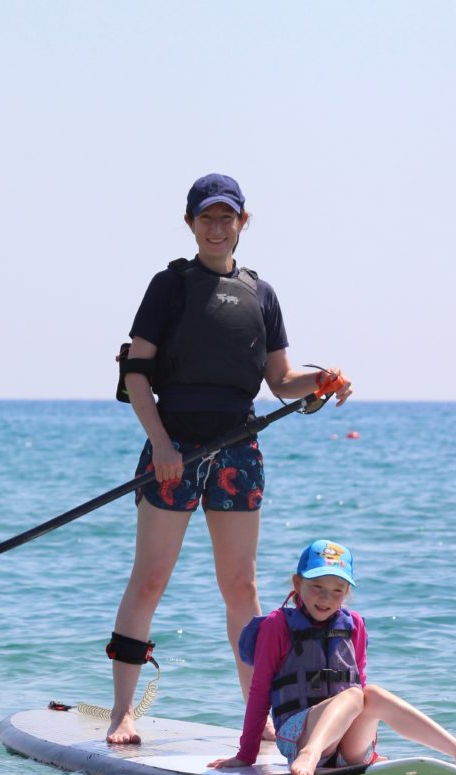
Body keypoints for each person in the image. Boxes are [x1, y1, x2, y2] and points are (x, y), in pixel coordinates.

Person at [106, 173, 352, 744]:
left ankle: (257, 713)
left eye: (227, 217)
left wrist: (324, 378)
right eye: (206, 217)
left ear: (243, 222)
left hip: (238, 450)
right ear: (191, 223)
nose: (217, 227)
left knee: (242, 588)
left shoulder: (261, 294)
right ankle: (122, 712)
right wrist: (163, 444)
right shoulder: (169, 286)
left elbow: (282, 379)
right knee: (150, 582)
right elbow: (136, 373)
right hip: (174, 448)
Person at [208, 539, 456, 775]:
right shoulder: (277, 625)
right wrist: (246, 754)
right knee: (356, 695)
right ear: (297, 584)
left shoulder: (354, 624)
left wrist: (369, 752)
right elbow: (260, 693)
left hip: (345, 746)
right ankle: (311, 755)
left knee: (368, 693)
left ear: (347, 592)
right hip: (299, 739)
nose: (326, 598)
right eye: (317, 586)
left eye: (337, 590)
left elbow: (358, 686)